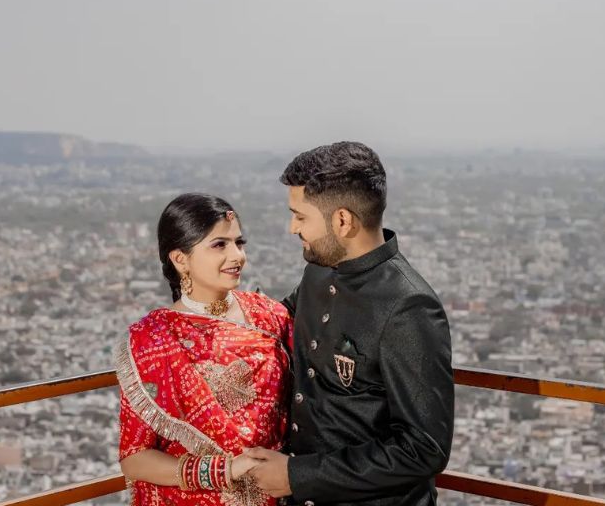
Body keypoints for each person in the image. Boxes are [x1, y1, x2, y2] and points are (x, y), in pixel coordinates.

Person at [247, 142, 455, 506]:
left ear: (342, 221)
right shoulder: (319, 270)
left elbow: (424, 448)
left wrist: (296, 475)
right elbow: (273, 323)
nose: (292, 227)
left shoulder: (407, 306)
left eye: (300, 216)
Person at [117, 193, 292, 506]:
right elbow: (135, 458)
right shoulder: (153, 340)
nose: (237, 256)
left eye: (239, 243)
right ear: (180, 258)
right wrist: (224, 470)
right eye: (219, 245)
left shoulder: (271, 316)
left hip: (277, 492)